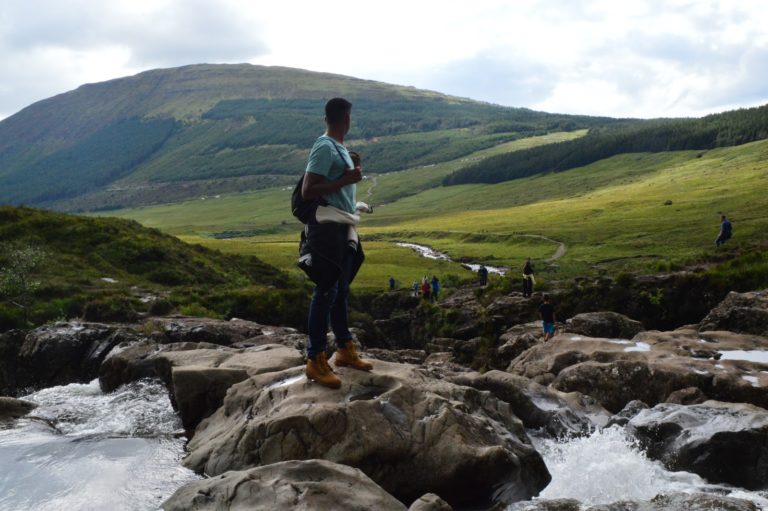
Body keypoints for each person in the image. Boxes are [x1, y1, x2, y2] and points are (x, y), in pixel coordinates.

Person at [301, 97, 373, 389]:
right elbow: (308, 191)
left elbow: (335, 184)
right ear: (346, 119)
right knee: (326, 290)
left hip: (343, 225)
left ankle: (343, 349)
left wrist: (348, 175)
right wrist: (345, 181)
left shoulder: (339, 149)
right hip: (327, 230)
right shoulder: (324, 146)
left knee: (340, 290)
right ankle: (315, 359)